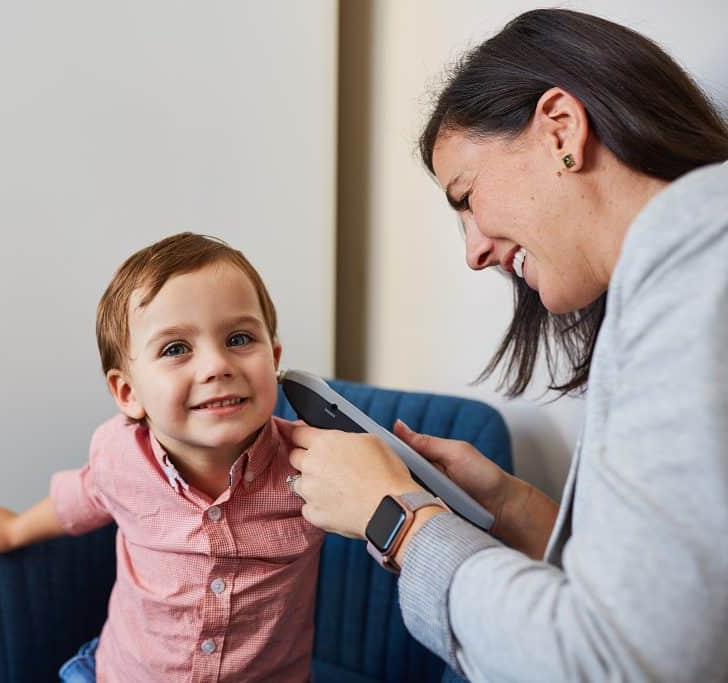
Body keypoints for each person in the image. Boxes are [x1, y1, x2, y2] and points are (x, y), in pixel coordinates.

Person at [286, 9, 728, 682]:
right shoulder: (682, 276)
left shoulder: (698, 278)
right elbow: (670, 592)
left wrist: (398, 521)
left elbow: (613, 662)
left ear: (560, 129)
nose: (474, 252)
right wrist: (512, 505)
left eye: (466, 197)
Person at [0, 233, 323, 682]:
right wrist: (13, 530)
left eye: (239, 338)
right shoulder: (120, 457)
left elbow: (387, 516)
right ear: (128, 393)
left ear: (274, 357)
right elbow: (80, 500)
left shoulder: (315, 466)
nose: (216, 366)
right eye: (175, 349)